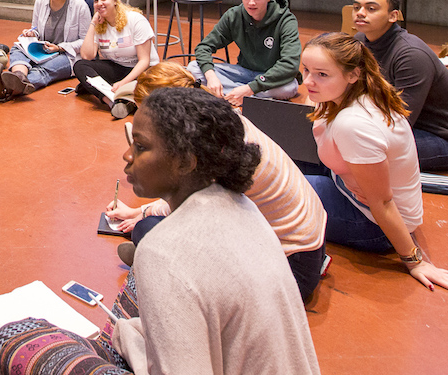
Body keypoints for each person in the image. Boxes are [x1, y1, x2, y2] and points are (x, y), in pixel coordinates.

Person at [0, 86, 323, 375]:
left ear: (185, 163)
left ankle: (111, 350)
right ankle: (118, 348)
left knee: (15, 338)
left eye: (141, 146)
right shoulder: (243, 205)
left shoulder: (163, 253)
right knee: (139, 279)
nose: (127, 156)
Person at [105, 62, 328, 303]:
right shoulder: (222, 119)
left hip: (289, 273)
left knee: (149, 231)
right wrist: (141, 210)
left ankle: (152, 258)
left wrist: (143, 215)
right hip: (308, 247)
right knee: (153, 225)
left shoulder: (208, 150)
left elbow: (193, 206)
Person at [302, 32, 448, 295]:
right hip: (359, 197)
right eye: (305, 70)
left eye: (322, 74)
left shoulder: (353, 124)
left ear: (353, 74)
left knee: (273, 193)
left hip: (374, 226)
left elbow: (383, 203)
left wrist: (415, 261)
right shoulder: (369, 94)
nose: (308, 81)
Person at [352, 0, 448, 170]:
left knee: (357, 147)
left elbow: (402, 120)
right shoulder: (360, 42)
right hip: (400, 125)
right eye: (356, 7)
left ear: (393, 16)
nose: (360, 13)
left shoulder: (411, 54)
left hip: (444, 139)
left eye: (371, 8)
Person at [188, 0, 301, 104]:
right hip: (243, 72)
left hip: (269, 77)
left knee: (289, 87)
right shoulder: (234, 15)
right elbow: (204, 47)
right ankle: (243, 96)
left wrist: (250, 88)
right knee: (193, 67)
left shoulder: (286, 20)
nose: (251, 2)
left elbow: (290, 64)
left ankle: (234, 94)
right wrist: (211, 77)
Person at [0, 0, 91, 103]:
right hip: (42, 50)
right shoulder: (41, 2)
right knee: (17, 48)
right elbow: (36, 29)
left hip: (66, 55)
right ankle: (20, 75)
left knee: (45, 70)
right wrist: (31, 33)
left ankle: (6, 88)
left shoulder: (80, 6)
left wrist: (60, 48)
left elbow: (85, 41)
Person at [72, 0, 159, 119]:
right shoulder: (100, 24)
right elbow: (86, 55)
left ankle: (113, 92)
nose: (99, 3)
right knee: (80, 65)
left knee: (148, 86)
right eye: (96, 0)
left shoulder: (135, 20)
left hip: (143, 70)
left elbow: (144, 60)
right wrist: (93, 24)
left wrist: (123, 82)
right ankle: (112, 101)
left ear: (115, 0)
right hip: (119, 67)